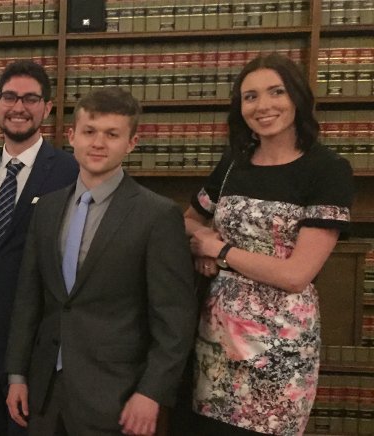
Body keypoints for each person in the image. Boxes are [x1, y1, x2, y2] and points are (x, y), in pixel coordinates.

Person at [5, 87, 197, 435]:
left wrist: (151, 392)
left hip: (116, 397)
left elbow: (174, 319)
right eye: (90, 131)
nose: (98, 143)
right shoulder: (46, 208)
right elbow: (28, 298)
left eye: (112, 134)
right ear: (71, 136)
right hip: (44, 393)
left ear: (132, 142)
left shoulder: (157, 215)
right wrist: (17, 373)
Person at [185, 53, 354, 436]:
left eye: (276, 92)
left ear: (297, 97)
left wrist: (221, 251)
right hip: (213, 342)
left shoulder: (327, 170)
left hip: (280, 351)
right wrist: (204, 238)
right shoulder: (233, 163)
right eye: (250, 96)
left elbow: (296, 274)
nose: (263, 106)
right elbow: (189, 220)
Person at [0, 59, 78, 436]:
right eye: (9, 97)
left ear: (48, 108)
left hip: (36, 344)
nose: (19, 107)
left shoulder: (70, 173)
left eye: (30, 98)